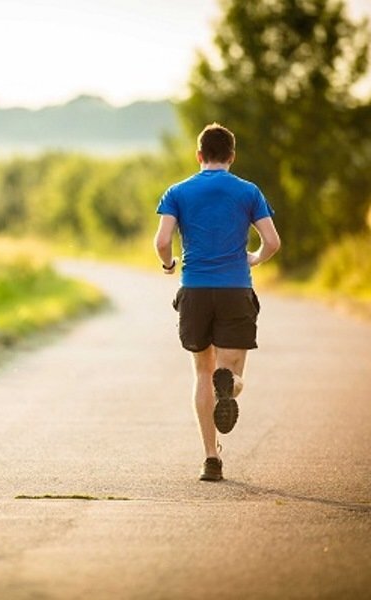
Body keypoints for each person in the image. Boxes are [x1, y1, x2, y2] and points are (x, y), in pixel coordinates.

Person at [154, 122, 281, 482]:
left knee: (201, 373)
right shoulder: (248, 191)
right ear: (232, 156)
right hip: (234, 289)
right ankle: (232, 386)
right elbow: (272, 242)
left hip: (195, 290)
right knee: (232, 373)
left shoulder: (177, 191)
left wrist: (168, 265)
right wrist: (254, 258)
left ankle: (211, 459)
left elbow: (162, 240)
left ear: (199, 156)